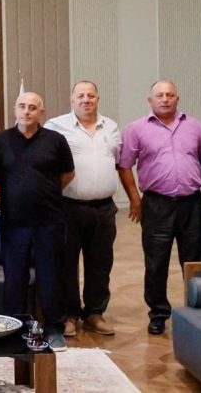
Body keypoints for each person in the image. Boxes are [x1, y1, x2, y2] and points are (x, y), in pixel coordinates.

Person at [118, 80, 201, 336]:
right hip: (156, 204)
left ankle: (197, 311)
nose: (165, 99)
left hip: (192, 202)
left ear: (178, 98)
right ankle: (158, 313)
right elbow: (124, 165)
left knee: (195, 261)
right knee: (156, 262)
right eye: (159, 95)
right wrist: (135, 200)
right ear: (150, 100)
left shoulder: (195, 126)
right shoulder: (136, 129)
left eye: (170, 95)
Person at [0, 91, 74, 351]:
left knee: (51, 278)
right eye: (22, 106)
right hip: (13, 223)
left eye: (32, 107)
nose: (26, 111)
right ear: (15, 109)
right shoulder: (0, 141)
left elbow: (68, 174)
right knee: (14, 279)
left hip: (49, 222)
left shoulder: (55, 140)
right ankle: (15, 328)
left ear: (42, 112)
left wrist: (43, 192)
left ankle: (54, 328)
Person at [43, 81, 120, 337]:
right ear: (72, 99)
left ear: (98, 98)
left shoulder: (111, 127)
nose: (86, 99)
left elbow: (118, 162)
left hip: (104, 208)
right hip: (68, 207)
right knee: (66, 264)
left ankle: (95, 313)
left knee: (101, 263)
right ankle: (70, 315)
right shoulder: (55, 126)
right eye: (81, 95)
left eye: (91, 95)